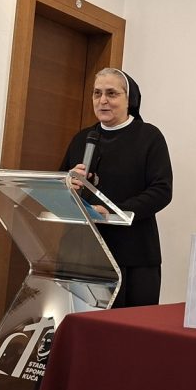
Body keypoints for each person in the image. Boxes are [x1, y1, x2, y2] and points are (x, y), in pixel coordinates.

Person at [60, 68, 173, 308]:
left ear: (129, 99)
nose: (102, 100)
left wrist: (114, 212)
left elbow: (161, 190)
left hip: (135, 252)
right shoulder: (82, 139)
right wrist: (69, 184)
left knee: (130, 334)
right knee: (92, 333)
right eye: (97, 93)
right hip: (87, 254)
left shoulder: (149, 137)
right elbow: (61, 185)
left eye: (111, 93)